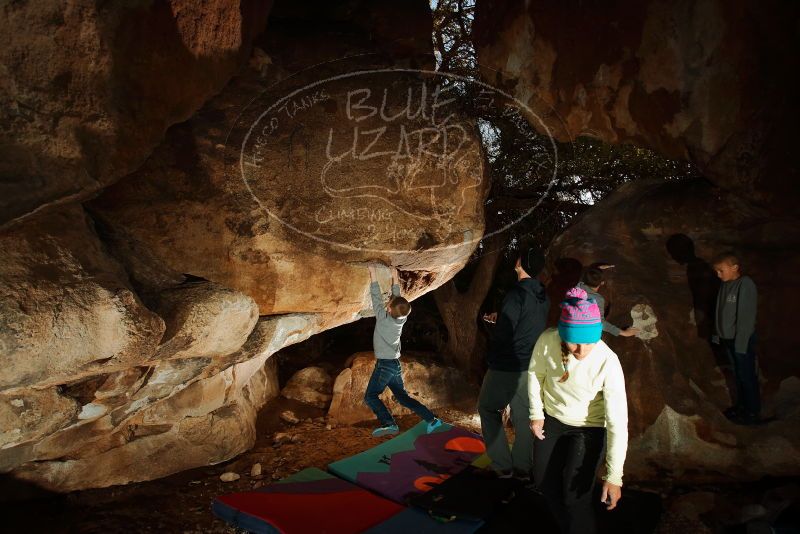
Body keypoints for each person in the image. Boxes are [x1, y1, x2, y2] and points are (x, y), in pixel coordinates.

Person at [528, 286, 629, 534]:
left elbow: (618, 421)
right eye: (574, 343)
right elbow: (535, 374)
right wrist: (536, 413)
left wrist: (614, 475)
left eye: (589, 343)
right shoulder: (547, 340)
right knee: (543, 482)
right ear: (563, 334)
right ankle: (569, 527)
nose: (581, 352)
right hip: (553, 420)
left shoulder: (608, 361)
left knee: (575, 496)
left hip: (589, 428)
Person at [478, 245, 549, 478]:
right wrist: (502, 317)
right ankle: (522, 467)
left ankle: (502, 465)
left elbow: (505, 335)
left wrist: (493, 355)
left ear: (522, 264)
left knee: (488, 409)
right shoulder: (542, 295)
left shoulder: (515, 294)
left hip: (507, 365)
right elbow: (528, 323)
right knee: (523, 417)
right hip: (530, 366)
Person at [364, 263, 442, 437]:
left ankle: (389, 423)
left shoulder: (384, 320)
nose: (388, 301)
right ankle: (432, 420)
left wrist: (373, 273)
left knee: (370, 396)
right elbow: (398, 299)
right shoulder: (401, 318)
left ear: (388, 309)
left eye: (389, 303)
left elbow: (376, 297)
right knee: (403, 397)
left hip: (385, 365)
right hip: (394, 364)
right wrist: (394, 276)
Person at [712, 251, 760, 424]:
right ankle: (741, 407)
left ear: (735, 268)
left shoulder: (745, 284)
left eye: (721, 270)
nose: (718, 274)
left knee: (746, 375)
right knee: (737, 375)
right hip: (729, 339)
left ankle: (753, 412)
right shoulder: (725, 285)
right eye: (716, 271)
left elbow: (746, 317)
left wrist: (741, 343)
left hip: (742, 340)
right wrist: (718, 334)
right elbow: (719, 311)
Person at [576, 264, 639, 338]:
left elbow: (585, 274)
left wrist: (597, 268)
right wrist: (624, 333)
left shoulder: (577, 286)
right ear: (602, 282)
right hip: (579, 334)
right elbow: (600, 322)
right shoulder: (597, 299)